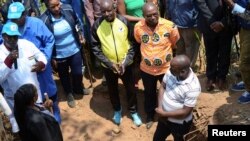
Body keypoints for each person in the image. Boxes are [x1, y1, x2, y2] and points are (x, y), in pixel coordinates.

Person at [7, 2, 61, 122]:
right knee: (31, 99)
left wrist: (45, 60)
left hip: (41, 66)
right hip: (23, 70)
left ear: (25, 14)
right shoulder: (8, 28)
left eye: (17, 17)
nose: (15, 20)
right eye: (12, 18)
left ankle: (55, 119)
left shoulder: (36, 23)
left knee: (49, 93)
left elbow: (49, 39)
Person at [91, 0, 142, 126]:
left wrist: (126, 62)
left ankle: (133, 111)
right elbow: (95, 47)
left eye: (109, 10)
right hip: (109, 66)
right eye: (103, 11)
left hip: (126, 64)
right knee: (112, 89)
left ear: (115, 8)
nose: (107, 13)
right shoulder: (97, 26)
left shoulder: (124, 22)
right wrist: (109, 63)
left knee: (130, 89)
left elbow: (133, 44)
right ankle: (117, 110)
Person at [134, 2, 180, 129]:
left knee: (169, 92)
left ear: (158, 12)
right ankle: (150, 115)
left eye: (155, 14)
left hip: (166, 69)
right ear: (143, 16)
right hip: (146, 69)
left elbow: (174, 42)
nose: (153, 17)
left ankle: (168, 116)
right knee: (149, 93)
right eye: (149, 16)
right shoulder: (138, 27)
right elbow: (138, 41)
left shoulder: (169, 26)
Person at [40, 0, 90, 108]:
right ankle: (69, 93)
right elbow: (44, 40)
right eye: (53, 7)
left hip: (74, 48)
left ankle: (78, 88)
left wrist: (81, 34)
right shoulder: (44, 20)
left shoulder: (68, 9)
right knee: (64, 75)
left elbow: (77, 22)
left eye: (58, 4)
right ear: (47, 7)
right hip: (59, 54)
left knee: (77, 72)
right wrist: (51, 56)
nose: (57, 8)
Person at [0, 21, 47, 133]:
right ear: (3, 36)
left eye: (15, 37)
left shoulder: (26, 44)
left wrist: (41, 63)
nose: (12, 40)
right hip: (17, 102)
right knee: (27, 129)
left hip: (35, 97)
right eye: (9, 37)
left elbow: (40, 55)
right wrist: (8, 61)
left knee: (41, 126)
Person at [153, 55, 201, 141]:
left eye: (172, 69)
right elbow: (162, 87)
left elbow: (185, 112)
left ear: (182, 71)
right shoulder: (172, 70)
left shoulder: (193, 87)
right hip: (163, 119)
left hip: (179, 124)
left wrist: (164, 114)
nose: (169, 69)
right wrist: (160, 108)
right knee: (157, 139)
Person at [194, 0, 234, 91]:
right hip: (208, 24)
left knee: (225, 53)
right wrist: (212, 22)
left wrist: (222, 23)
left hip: (226, 25)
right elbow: (201, 4)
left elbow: (234, 5)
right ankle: (211, 77)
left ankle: (222, 77)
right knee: (210, 52)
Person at [224, 0, 250, 104]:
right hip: (244, 28)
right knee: (244, 57)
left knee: (245, 62)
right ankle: (247, 81)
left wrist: (231, 4)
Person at [165, 0, 201, 69]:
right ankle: (179, 67)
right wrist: (169, 15)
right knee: (179, 47)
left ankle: (189, 68)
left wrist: (194, 16)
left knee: (190, 47)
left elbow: (200, 4)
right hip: (175, 22)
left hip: (190, 23)